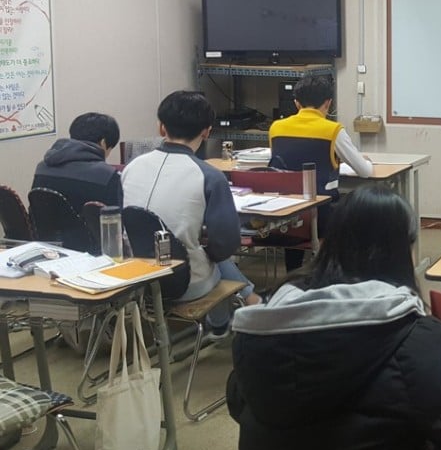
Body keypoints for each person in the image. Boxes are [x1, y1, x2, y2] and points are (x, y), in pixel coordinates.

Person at [227, 185, 441, 450]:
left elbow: (237, 403)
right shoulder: (416, 340)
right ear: (403, 251)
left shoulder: (265, 326)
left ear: (332, 241)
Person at [122, 91, 260, 335]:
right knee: (215, 259)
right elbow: (225, 244)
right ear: (207, 131)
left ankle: (248, 305)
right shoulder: (209, 176)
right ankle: (220, 327)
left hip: (133, 277)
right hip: (183, 283)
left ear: (161, 127)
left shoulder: (131, 168)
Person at [268, 75, 373, 270]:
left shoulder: (276, 128)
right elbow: (365, 172)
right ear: (328, 103)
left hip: (288, 212)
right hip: (324, 212)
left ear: (296, 103)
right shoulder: (333, 130)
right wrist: (365, 161)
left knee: (299, 212)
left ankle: (294, 274)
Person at [32, 112, 122, 212]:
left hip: (44, 227)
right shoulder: (108, 176)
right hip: (92, 228)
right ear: (103, 143)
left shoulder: (42, 168)